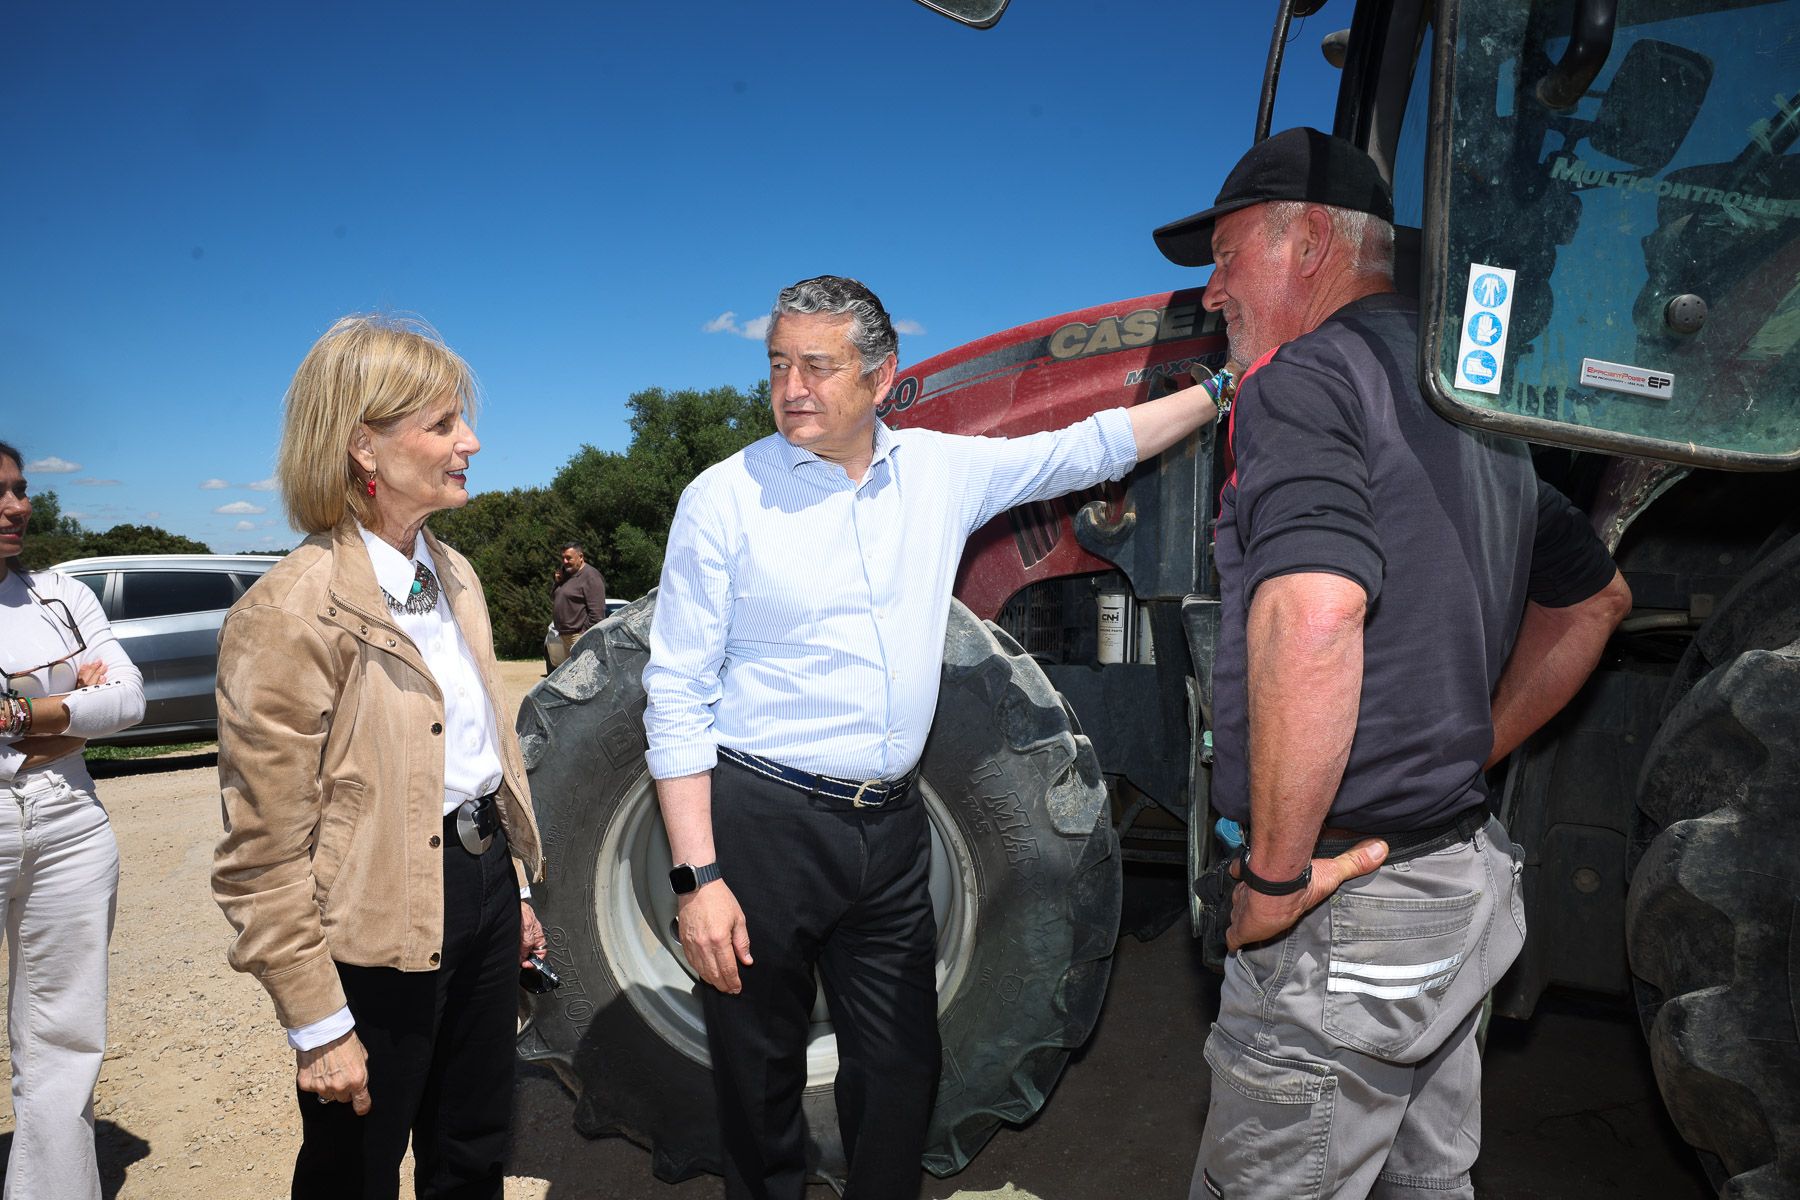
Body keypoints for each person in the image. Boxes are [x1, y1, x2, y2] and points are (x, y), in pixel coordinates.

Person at [642, 274, 1221, 1200]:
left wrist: (1224, 391)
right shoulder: (724, 499)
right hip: (763, 826)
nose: (792, 387)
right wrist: (699, 878)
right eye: (779, 365)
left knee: (902, 1071)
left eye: (817, 367)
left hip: (891, 831)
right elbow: (673, 692)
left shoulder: (942, 472)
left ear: (882, 375)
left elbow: (1088, 447)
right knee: (760, 1085)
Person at [1152, 127, 1635, 1199]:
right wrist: (1471, 751)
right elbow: (1597, 597)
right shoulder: (1479, 414)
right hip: (1455, 890)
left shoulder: (1306, 380)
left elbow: (1316, 617)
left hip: (1348, 919)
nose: (1214, 291)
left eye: (1229, 256)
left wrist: (1277, 877)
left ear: (1310, 241)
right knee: (1428, 1182)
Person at [211, 315, 545, 1200]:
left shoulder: (458, 575)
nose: (470, 441)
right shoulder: (289, 614)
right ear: (364, 446)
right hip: (372, 920)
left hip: (479, 894)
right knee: (352, 1171)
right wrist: (318, 1024)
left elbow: (478, 755)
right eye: (442, 425)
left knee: (473, 1150)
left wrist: (509, 892)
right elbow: (261, 856)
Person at [0, 439, 145, 1200]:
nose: (17, 506)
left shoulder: (60, 595)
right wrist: (70, 708)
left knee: (64, 1038)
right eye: (0, 492)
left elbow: (128, 700)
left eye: (20, 490)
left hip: (70, 822)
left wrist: (25, 712)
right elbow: (96, 703)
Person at [551, 541, 606, 657]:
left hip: (578, 637)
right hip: (565, 637)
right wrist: (557, 582)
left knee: (581, 674)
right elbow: (555, 597)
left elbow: (597, 613)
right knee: (571, 675)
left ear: (580, 557)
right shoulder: (566, 575)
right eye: (563, 558)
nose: (564, 562)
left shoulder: (591, 576)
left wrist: (583, 634)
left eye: (568, 558)